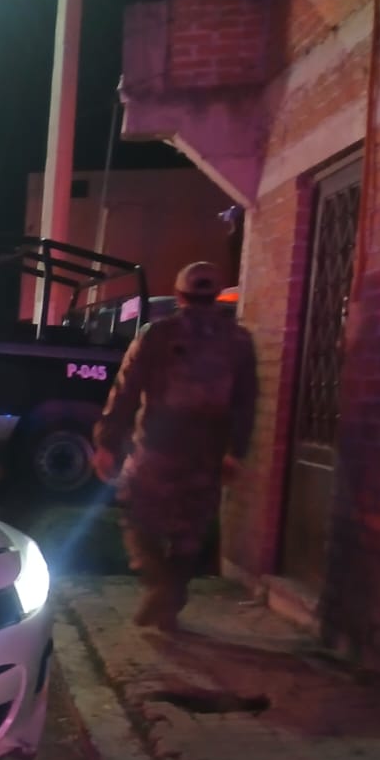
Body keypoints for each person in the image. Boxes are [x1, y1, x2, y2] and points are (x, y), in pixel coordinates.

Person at [91, 261, 258, 631]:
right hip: (207, 452)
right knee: (190, 528)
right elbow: (246, 401)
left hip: (156, 447)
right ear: (216, 295)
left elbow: (126, 389)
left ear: (180, 294)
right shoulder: (239, 341)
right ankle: (172, 594)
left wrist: (107, 442)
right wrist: (236, 451)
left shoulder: (158, 334)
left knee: (136, 512)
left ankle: (160, 586)